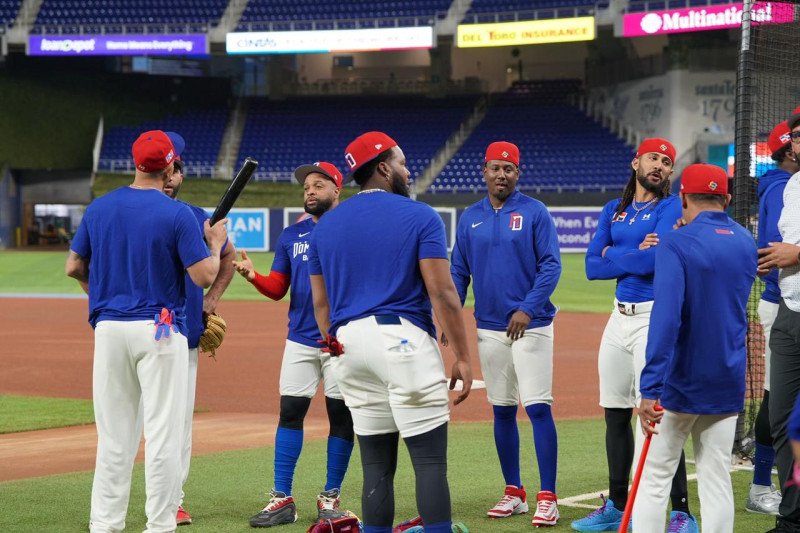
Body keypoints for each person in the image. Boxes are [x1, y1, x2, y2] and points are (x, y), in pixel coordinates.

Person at [307, 131, 473, 533]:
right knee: (430, 462)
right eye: (401, 162)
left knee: (376, 466)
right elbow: (443, 293)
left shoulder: (325, 227)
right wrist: (464, 356)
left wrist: (339, 341)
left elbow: (321, 306)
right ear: (383, 167)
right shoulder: (419, 215)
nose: (407, 169)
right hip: (400, 338)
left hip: (347, 346)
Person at [65, 130, 228, 533]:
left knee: (115, 437)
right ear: (171, 166)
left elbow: (73, 266)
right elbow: (205, 275)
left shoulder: (100, 208)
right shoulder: (175, 212)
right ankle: (159, 525)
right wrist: (215, 242)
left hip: (109, 330)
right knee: (163, 436)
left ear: (135, 164)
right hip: (159, 330)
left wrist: (102, 294)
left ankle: (104, 525)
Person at [575, 138, 695, 532]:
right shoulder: (614, 208)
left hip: (651, 318)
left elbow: (652, 262)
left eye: (667, 162)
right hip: (618, 318)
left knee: (659, 414)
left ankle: (681, 513)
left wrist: (612, 253)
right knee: (614, 412)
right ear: (636, 162)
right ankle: (615, 507)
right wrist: (617, 256)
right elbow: (591, 266)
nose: (660, 166)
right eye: (653, 158)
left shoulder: (669, 207)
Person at [633, 163, 757, 532]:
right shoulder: (745, 241)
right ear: (728, 199)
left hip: (678, 383)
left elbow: (667, 319)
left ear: (684, 197)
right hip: (727, 377)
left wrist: (649, 388)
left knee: (655, 479)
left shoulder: (676, 242)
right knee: (716, 479)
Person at [233, 162, 355, 528]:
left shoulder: (352, 232)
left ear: (338, 190)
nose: (310, 191)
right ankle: (282, 498)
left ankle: (330, 498)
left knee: (341, 418)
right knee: (289, 413)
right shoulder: (291, 236)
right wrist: (255, 276)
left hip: (343, 341)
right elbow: (278, 289)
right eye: (306, 188)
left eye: (319, 185)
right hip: (300, 340)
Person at [449, 141, 562, 527]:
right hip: (489, 328)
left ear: (518, 173)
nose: (502, 175)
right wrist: (449, 320)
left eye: (509, 169)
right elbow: (457, 273)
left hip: (532, 326)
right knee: (501, 409)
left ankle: (548, 496)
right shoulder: (470, 217)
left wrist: (527, 309)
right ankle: (514, 492)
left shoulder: (534, 212)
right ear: (484, 170)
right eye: (496, 168)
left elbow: (551, 266)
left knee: (538, 408)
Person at [162, 131, 236, 526]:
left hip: (183, 336)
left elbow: (226, 256)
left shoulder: (194, 217)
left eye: (176, 171)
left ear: (181, 175)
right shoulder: (134, 211)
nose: (170, 177)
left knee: (178, 423)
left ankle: (173, 499)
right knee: (129, 421)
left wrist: (211, 301)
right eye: (166, 170)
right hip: (139, 332)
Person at [746, 120, 799, 516]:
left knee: (777, 402)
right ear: (788, 147)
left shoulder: (776, 185)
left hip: (779, 299)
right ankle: (763, 485)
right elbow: (773, 253)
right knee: (774, 403)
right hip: (784, 301)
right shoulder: (784, 187)